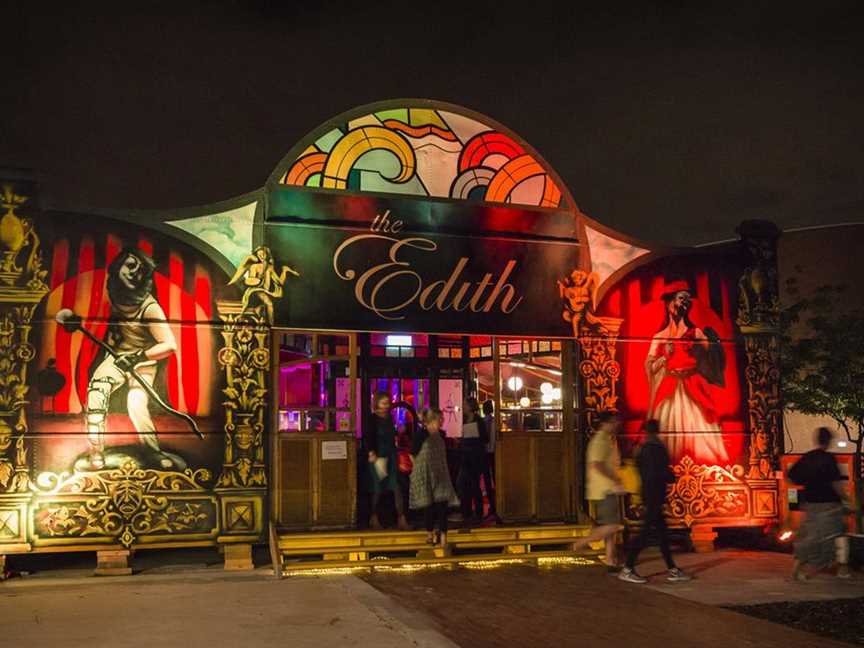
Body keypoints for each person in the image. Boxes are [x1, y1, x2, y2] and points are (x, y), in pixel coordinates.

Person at [83, 247, 181, 471]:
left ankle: (153, 452)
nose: (134, 272)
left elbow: (169, 345)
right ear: (117, 267)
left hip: (143, 362)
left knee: (136, 403)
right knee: (97, 393)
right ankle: (95, 453)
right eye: (130, 265)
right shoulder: (112, 295)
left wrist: (138, 357)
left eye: (140, 269)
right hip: (116, 358)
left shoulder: (150, 307)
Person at [645, 281, 728, 464]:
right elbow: (650, 367)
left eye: (687, 300)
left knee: (700, 431)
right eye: (681, 298)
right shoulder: (659, 337)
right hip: (670, 388)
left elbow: (714, 356)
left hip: (693, 385)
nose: (685, 303)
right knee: (668, 429)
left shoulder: (696, 332)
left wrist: (712, 342)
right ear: (669, 303)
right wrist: (665, 358)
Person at [619, 420, 691, 583]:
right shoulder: (658, 448)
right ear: (658, 431)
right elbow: (660, 472)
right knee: (645, 534)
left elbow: (642, 470)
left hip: (649, 494)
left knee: (662, 534)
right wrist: (670, 477)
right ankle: (628, 568)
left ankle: (672, 569)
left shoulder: (642, 449)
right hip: (656, 495)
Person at [788, 427, 850, 581]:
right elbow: (836, 483)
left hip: (811, 504)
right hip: (830, 505)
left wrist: (806, 485)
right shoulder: (829, 459)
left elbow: (791, 477)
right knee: (838, 535)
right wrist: (847, 500)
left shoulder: (807, 458)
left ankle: (797, 567)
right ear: (829, 441)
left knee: (809, 537)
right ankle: (842, 569)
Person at [572, 413, 625, 568]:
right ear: (606, 423)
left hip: (606, 489)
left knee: (611, 527)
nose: (617, 425)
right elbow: (597, 465)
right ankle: (582, 542)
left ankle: (610, 558)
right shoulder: (600, 441)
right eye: (614, 422)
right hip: (604, 489)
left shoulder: (605, 440)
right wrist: (615, 480)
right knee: (614, 525)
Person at [410, 407, 459, 546]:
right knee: (428, 505)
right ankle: (430, 533)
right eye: (440, 419)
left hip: (440, 474)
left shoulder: (441, 435)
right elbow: (412, 453)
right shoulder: (421, 435)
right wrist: (419, 469)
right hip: (425, 474)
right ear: (431, 421)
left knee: (441, 505)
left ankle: (443, 536)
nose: (442, 421)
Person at [363, 391, 409, 530]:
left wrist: (399, 432)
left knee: (396, 487)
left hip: (391, 456)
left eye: (387, 403)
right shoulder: (372, 419)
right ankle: (373, 516)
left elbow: (390, 436)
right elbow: (368, 437)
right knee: (377, 488)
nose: (386, 406)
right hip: (378, 456)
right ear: (376, 403)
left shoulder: (389, 418)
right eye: (383, 403)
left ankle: (401, 518)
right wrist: (371, 453)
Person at [459, 397, 489, 524]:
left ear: (471, 406)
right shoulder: (465, 420)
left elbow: (485, 438)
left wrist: (473, 437)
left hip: (475, 457)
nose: (463, 407)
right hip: (466, 456)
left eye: (465, 404)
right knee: (464, 484)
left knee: (474, 485)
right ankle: (466, 511)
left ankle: (478, 512)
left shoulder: (479, 421)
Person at [481, 399, 499, 521]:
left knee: (488, 480)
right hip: (495, 453)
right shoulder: (495, 422)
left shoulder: (482, 422)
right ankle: (497, 505)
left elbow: (484, 440)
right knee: (496, 479)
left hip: (485, 453)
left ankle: (493, 506)